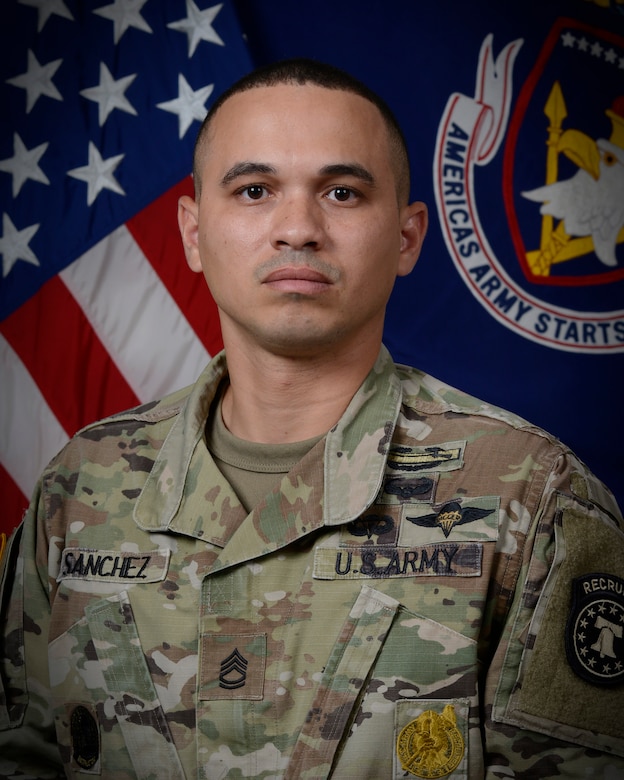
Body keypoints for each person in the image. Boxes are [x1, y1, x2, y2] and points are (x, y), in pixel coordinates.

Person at [0, 58, 622, 779]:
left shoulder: (532, 497)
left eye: (343, 192)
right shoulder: (79, 488)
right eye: (256, 190)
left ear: (408, 236)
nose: (298, 228)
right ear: (194, 233)